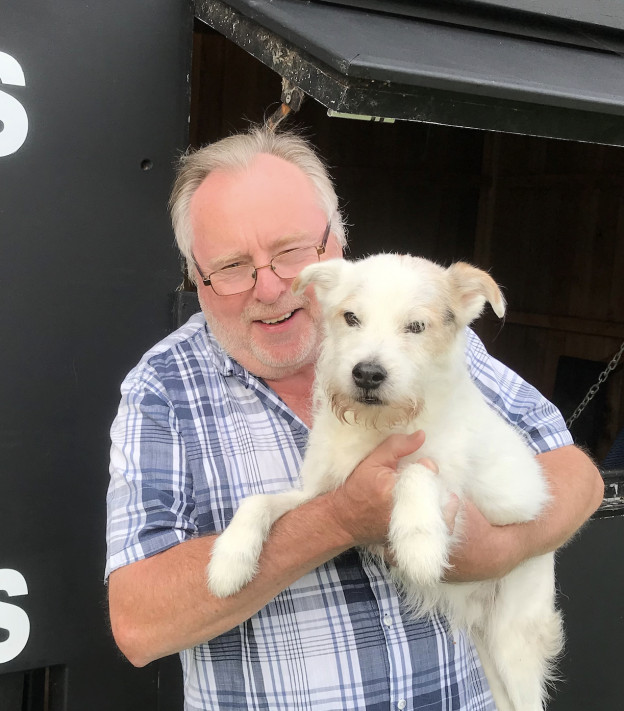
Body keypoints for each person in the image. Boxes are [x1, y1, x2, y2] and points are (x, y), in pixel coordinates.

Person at [104, 124, 604, 710]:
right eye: (233, 265)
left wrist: (499, 550)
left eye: (289, 251)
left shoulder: (433, 339)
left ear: (335, 245)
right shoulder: (162, 388)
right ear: (196, 277)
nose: (270, 287)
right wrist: (340, 519)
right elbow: (137, 624)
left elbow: (578, 475)